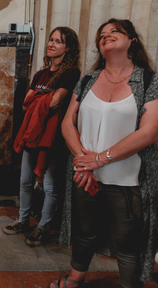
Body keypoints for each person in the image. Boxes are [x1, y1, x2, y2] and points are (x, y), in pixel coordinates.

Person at [52, 18, 158, 288]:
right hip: (85, 175)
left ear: (131, 41)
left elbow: (148, 132)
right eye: (102, 35)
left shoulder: (147, 80)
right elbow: (67, 123)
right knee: (84, 231)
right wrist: (84, 163)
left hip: (127, 178)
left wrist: (100, 158)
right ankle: (75, 278)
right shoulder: (88, 80)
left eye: (115, 32)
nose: (106, 36)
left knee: (127, 239)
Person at [4, 27, 81, 247]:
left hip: (53, 138)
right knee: (25, 181)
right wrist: (43, 97)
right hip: (33, 134)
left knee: (50, 187)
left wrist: (40, 97)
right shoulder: (40, 74)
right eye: (50, 39)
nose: (51, 44)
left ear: (68, 48)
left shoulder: (71, 73)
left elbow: (56, 101)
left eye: (58, 41)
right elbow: (26, 102)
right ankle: (23, 220)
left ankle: (43, 227)